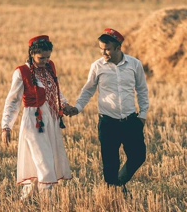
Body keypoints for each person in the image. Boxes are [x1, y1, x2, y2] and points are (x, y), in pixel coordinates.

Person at [64, 28, 149, 194]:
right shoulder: (97, 66)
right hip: (108, 122)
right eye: (101, 48)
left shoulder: (134, 64)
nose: (104, 52)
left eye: (108, 48)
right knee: (110, 164)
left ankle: (118, 184)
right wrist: (78, 108)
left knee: (138, 156)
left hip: (131, 120)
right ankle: (115, 192)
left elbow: (142, 90)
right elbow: (88, 90)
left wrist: (143, 115)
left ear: (118, 47)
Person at [1, 35, 72, 200]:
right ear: (32, 53)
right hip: (35, 122)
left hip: (52, 120)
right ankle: (48, 204)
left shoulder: (50, 67)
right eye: (42, 57)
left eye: (48, 57)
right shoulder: (21, 72)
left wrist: (65, 104)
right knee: (44, 163)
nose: (46, 61)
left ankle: (28, 201)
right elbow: (13, 101)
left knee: (49, 161)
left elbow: (56, 90)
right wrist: (6, 126)